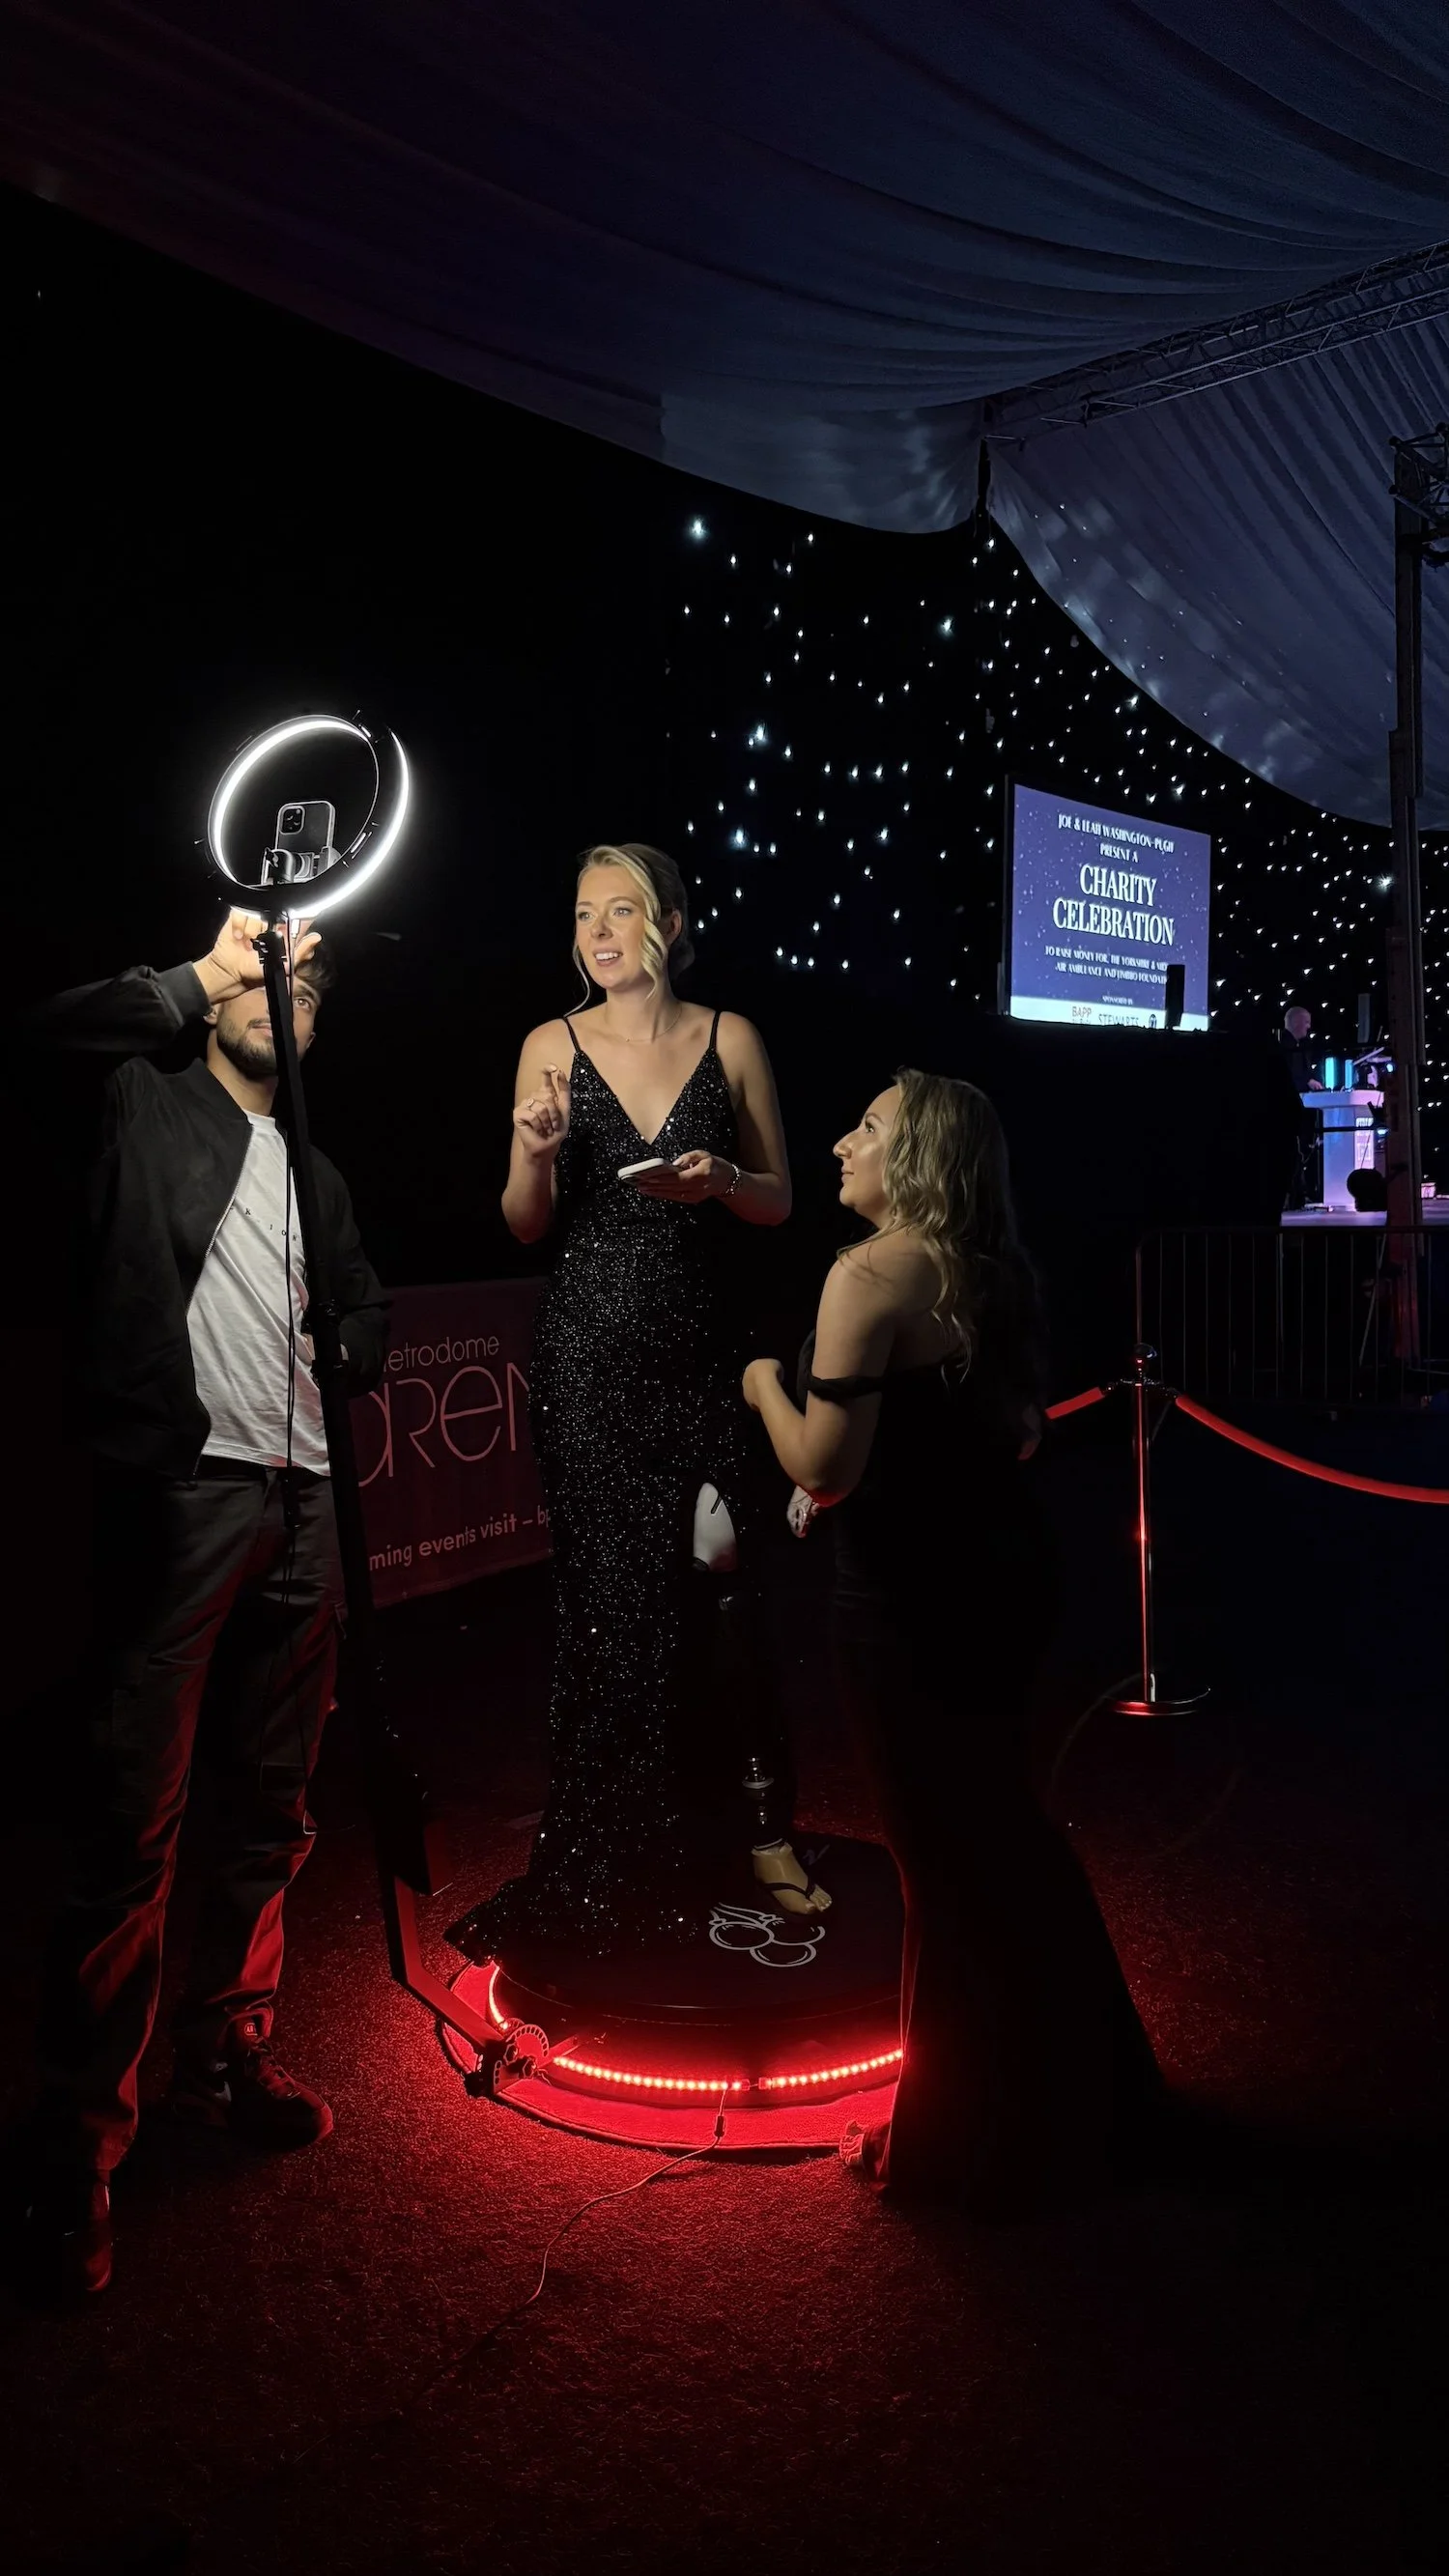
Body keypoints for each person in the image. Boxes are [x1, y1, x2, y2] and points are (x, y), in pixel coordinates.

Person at [15, 907, 385, 2300]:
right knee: (132, 1815)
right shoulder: (141, 1092)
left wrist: (352, 1335)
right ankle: (75, 2143)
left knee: (274, 1803)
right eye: (261, 966)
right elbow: (40, 1032)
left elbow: (364, 1301)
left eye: (300, 979)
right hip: (185, 1493)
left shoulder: (319, 1168)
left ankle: (220, 2055)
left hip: (302, 1505)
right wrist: (194, 972)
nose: (273, 986)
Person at [743, 1070, 1162, 2213]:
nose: (839, 1141)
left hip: (910, 1605)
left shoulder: (866, 1272)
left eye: (867, 1127)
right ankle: (1075, 2104)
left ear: (916, 1156)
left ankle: (963, 2145)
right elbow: (1009, 1435)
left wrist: (760, 1382)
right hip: (1005, 1583)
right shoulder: (986, 1269)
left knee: (946, 1861)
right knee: (1003, 1840)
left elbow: (823, 1465)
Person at [448, 842, 804, 1961]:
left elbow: (781, 1200)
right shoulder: (547, 1047)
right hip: (591, 1361)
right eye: (583, 913)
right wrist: (538, 1155)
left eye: (622, 910)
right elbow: (522, 1222)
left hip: (702, 1360)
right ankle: (617, 1856)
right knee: (611, 1612)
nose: (598, 932)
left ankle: (730, 1824)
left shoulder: (728, 1035)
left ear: (671, 922)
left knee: (717, 1586)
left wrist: (723, 1182)